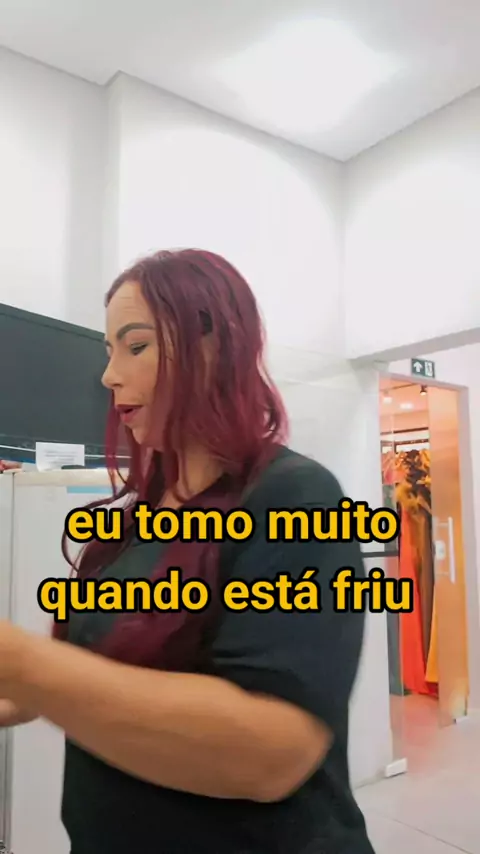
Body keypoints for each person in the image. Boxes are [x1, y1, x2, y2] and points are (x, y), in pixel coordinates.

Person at [0, 249, 375, 854]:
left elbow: (273, 753)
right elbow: (98, 673)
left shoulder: (295, 496)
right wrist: (22, 689)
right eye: (109, 351)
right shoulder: (136, 519)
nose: (109, 376)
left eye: (136, 346)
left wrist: (22, 662)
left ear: (213, 348)